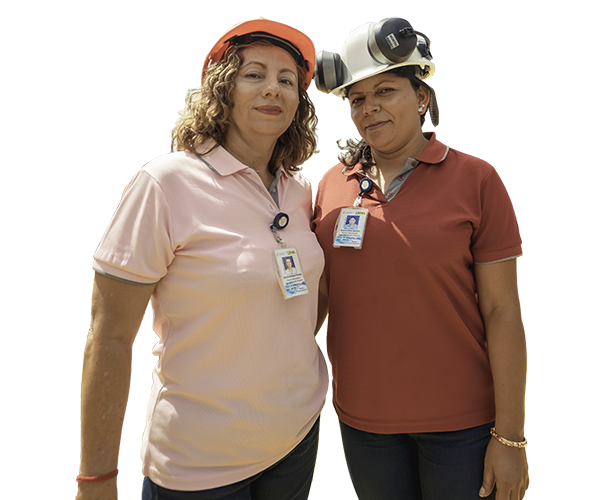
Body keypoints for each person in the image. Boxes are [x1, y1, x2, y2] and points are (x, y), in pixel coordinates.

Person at [77, 19, 329, 500]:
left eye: (286, 80)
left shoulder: (299, 192)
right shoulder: (164, 184)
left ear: (299, 102)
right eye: (254, 74)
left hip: (295, 439)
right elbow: (110, 338)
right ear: (223, 88)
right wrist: (96, 480)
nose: (272, 88)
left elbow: (301, 306)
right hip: (198, 467)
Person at [312, 18, 529, 500]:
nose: (369, 109)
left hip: (462, 426)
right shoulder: (330, 186)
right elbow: (316, 301)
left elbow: (501, 312)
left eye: (385, 91)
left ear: (422, 97)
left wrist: (511, 436)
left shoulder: (477, 180)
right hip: (364, 422)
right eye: (357, 99)